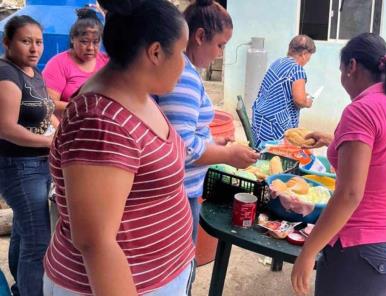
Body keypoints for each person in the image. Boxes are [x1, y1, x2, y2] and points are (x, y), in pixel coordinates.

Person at [42, 1, 196, 295]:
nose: (185, 64)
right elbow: (94, 241)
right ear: (155, 52)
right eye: (181, 53)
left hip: (160, 274)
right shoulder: (100, 121)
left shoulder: (137, 95)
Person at [290, 33, 386, 296]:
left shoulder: (361, 110)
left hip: (365, 256)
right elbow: (383, 153)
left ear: (351, 67)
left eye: (341, 71)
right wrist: (333, 140)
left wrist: (309, 251)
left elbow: (350, 194)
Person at [154, 0, 258, 243]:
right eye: (220, 45)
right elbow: (183, 148)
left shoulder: (184, 71)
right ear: (200, 36)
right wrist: (229, 155)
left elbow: (177, 132)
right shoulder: (183, 77)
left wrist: (214, 141)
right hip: (176, 194)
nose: (220, 54)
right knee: (181, 269)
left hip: (179, 190)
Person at [0, 15, 56, 296]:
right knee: (38, 242)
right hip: (18, 167)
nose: (34, 48)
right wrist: (49, 143)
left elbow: (46, 114)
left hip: (37, 164)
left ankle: (20, 285)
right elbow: (6, 128)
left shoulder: (35, 73)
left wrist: (60, 130)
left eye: (39, 42)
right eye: (26, 41)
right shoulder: (6, 73)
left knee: (24, 228)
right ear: (7, 42)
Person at [251, 35, 316, 147]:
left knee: (260, 157)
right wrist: (308, 101)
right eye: (309, 56)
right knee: (276, 158)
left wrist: (303, 94)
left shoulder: (278, 62)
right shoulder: (297, 70)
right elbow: (299, 101)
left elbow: (279, 90)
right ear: (304, 54)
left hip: (260, 120)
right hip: (275, 127)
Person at [42, 7, 108, 115]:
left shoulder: (106, 62)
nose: (90, 47)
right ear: (73, 39)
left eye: (96, 42)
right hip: (68, 124)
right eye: (84, 42)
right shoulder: (59, 63)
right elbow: (48, 104)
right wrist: (87, 107)